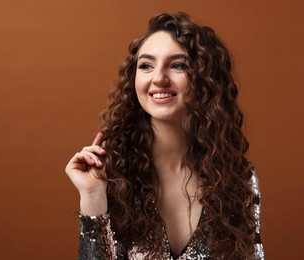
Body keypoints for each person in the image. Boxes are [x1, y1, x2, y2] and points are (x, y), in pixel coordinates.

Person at [65, 12, 264, 259]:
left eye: (178, 65)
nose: (159, 78)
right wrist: (93, 196)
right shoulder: (111, 173)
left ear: (205, 79)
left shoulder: (237, 177)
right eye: (146, 66)